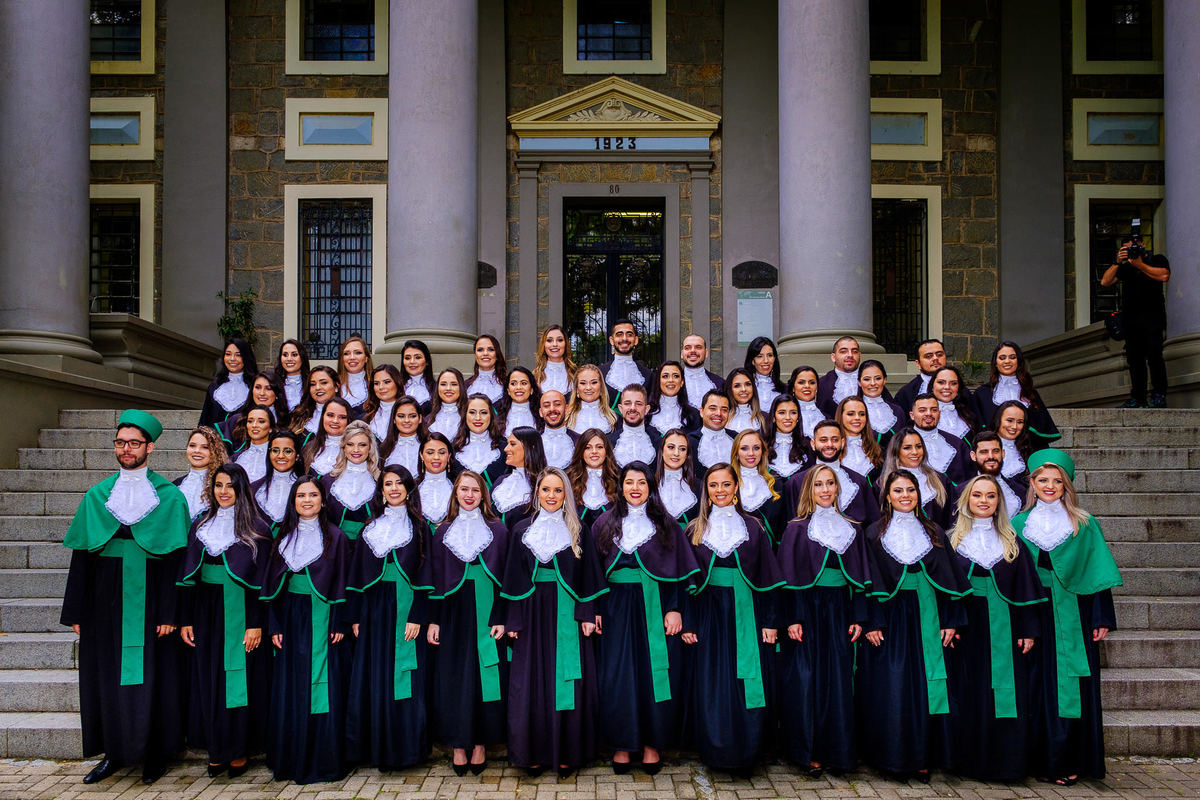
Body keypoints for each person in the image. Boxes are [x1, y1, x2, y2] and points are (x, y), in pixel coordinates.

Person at [61, 410, 191, 785]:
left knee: (156, 677)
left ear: (150, 447)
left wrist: (171, 612)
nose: (127, 449)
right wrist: (76, 610)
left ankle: (155, 755)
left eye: (134, 443)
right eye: (121, 443)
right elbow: (82, 557)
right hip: (106, 602)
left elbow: (176, 564)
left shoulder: (169, 498)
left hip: (152, 599)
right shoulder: (97, 495)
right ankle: (113, 754)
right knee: (107, 678)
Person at [1011, 450, 1121, 785]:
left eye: (1057, 481)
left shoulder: (1085, 524)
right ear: (1031, 482)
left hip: (1073, 611)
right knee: (1032, 685)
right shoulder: (1017, 523)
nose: (1050, 486)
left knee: (1069, 685)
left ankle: (1067, 759)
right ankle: (1036, 760)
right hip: (1031, 612)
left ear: (1067, 485)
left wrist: (1100, 616)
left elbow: (1097, 572)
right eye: (1043, 480)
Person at [857, 470, 970, 782]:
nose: (905, 495)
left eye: (910, 490)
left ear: (919, 495)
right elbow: (867, 582)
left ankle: (923, 757)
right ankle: (891, 758)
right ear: (887, 496)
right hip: (889, 620)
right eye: (898, 490)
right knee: (892, 689)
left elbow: (949, 581)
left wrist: (950, 621)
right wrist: (872, 622)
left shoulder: (934, 531)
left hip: (928, 617)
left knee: (927, 687)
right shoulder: (873, 533)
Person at [592, 463, 700, 774]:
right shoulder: (603, 524)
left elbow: (679, 574)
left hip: (655, 606)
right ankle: (623, 745)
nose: (635, 488)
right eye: (629, 482)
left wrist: (675, 608)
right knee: (618, 676)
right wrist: (596, 611)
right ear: (621, 487)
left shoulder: (667, 525)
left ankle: (653, 744)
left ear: (651, 487)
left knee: (656, 676)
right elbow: (594, 575)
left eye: (642, 482)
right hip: (614, 609)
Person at [500, 467, 607, 778]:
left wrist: (587, 614)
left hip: (568, 611)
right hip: (531, 614)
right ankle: (532, 752)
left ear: (566, 495)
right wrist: (513, 620)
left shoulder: (579, 529)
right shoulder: (521, 529)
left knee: (568, 681)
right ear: (537, 493)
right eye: (545, 490)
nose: (551, 495)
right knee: (530, 681)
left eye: (557, 490)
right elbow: (512, 578)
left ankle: (567, 753)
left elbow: (589, 576)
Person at [680, 463, 784, 776]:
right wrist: (689, 623)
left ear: (736, 487)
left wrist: (769, 621)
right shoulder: (694, 529)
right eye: (714, 485)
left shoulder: (754, 527)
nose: (721, 490)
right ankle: (717, 751)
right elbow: (686, 583)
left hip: (748, 615)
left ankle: (748, 752)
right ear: (706, 491)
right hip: (709, 616)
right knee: (713, 682)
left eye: (726, 484)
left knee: (747, 681)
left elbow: (768, 577)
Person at [943, 474, 1046, 781]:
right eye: (977, 496)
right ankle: (971, 762)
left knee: (1006, 691)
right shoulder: (952, 542)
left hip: (1005, 626)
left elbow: (1026, 589)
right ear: (966, 501)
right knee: (969, 690)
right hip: (966, 628)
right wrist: (951, 622)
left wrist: (1028, 629)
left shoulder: (1013, 542)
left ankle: (1007, 763)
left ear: (999, 501)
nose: (984, 501)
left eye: (990, 496)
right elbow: (944, 589)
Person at [177, 464, 272, 779]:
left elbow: (263, 582)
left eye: (230, 485)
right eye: (218, 485)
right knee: (210, 678)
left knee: (241, 682)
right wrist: (187, 619)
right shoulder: (201, 525)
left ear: (241, 489)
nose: (223, 491)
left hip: (243, 611)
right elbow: (192, 577)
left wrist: (256, 623)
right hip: (206, 611)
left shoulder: (258, 528)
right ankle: (217, 747)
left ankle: (239, 748)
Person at [776, 465, 871, 777]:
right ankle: (809, 751)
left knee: (839, 681)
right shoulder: (795, 529)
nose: (826, 490)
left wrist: (858, 615)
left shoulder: (852, 528)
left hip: (840, 611)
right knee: (806, 681)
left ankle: (839, 751)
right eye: (819, 485)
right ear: (809, 490)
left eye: (831, 484)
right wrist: (793, 617)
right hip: (807, 611)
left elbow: (859, 579)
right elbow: (791, 579)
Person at [259, 476, 351, 784]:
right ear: (293, 501)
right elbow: (272, 587)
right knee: (291, 686)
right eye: (301, 496)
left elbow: (343, 581)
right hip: (290, 619)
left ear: (323, 501)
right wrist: (274, 624)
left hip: (324, 618)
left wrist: (338, 620)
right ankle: (291, 757)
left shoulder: (336, 537)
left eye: (313, 495)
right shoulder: (281, 537)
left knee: (324, 686)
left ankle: (324, 760)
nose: (307, 500)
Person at [345, 465, 434, 771]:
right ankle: (378, 747)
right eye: (388, 484)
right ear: (380, 490)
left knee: (407, 679)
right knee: (376, 675)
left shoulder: (421, 528)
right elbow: (356, 577)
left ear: (409, 489)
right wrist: (355, 617)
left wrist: (417, 616)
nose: (394, 488)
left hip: (407, 611)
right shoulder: (369, 528)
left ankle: (407, 749)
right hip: (374, 613)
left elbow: (426, 576)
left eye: (400, 483)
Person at [426, 471, 510, 775]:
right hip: (453, 613)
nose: (470, 495)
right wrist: (433, 620)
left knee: (485, 676)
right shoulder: (442, 531)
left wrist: (502, 615)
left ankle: (481, 744)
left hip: (487, 610)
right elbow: (434, 578)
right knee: (455, 677)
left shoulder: (498, 531)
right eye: (464, 489)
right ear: (455, 493)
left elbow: (506, 578)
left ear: (483, 495)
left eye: (475, 490)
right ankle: (459, 744)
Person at [1100, 240, 1171, 408]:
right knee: (1135, 359)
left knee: (1155, 356)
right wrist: (1117, 262)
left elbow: (1164, 275)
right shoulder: (1125, 267)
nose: (1131, 249)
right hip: (1131, 319)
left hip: (1153, 317)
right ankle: (1138, 398)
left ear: (1143, 244)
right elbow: (1105, 281)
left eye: (1133, 245)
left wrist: (1140, 265)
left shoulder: (1157, 259)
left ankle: (1159, 395)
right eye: (1127, 246)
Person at [783, 420, 881, 530]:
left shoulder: (860, 482)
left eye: (835, 440)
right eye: (823, 440)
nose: (829, 444)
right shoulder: (795, 483)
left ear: (843, 443)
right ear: (813, 444)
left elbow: (873, 527)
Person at [972, 341, 1060, 448]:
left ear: (1018, 361)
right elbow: (979, 426)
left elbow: (1039, 424)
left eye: (1012, 357)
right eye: (1002, 358)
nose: (1007, 361)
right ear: (995, 362)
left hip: (1027, 449)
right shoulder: (982, 393)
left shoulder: (1030, 392)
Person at [879, 429, 952, 529]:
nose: (915, 452)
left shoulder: (941, 480)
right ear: (896, 451)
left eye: (918, 447)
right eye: (907, 448)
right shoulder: (882, 484)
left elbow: (949, 519)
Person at [321, 420, 381, 542]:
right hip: (335, 546)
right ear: (343, 447)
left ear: (370, 448)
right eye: (350, 444)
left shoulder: (380, 481)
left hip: (366, 548)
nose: (356, 450)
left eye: (362, 445)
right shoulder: (328, 481)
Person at [951, 432, 1028, 522]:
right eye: (984, 452)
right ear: (973, 456)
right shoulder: (960, 492)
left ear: (1003, 454)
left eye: (995, 451)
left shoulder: (1020, 491)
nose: (991, 456)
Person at [731, 429, 786, 545]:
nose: (751, 453)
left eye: (756, 448)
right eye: (744, 448)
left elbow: (781, 525)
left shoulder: (776, 483)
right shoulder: (728, 483)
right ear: (736, 453)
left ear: (763, 452)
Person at [909, 394, 974, 486]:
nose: (928, 414)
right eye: (922, 410)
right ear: (912, 415)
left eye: (934, 410)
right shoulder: (900, 443)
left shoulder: (956, 444)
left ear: (939, 413)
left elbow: (968, 479)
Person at [490, 427, 547, 528]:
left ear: (531, 447)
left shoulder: (544, 485)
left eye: (512, 444)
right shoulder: (500, 482)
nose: (506, 449)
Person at [566, 428, 620, 525]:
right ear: (581, 452)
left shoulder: (618, 478)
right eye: (588, 447)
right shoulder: (568, 479)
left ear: (606, 451)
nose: (594, 451)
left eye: (599, 447)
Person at [453, 394, 509, 488]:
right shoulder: (453, 449)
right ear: (465, 415)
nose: (478, 418)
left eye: (483, 412)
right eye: (472, 412)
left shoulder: (505, 449)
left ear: (491, 415)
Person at [252, 430, 305, 527]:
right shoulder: (254, 488)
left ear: (297, 456)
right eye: (275, 450)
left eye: (288, 451)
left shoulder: (307, 489)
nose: (280, 456)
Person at [200, 340, 258, 428]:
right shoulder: (215, 387)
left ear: (246, 357)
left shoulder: (255, 386)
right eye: (228, 354)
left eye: (238, 355)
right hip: (215, 439)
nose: (232, 359)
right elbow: (205, 420)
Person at [176, 426, 229, 521]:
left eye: (205, 447)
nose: (197, 451)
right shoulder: (176, 485)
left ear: (215, 451)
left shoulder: (223, 485)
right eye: (192, 445)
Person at [817, 336, 877, 416]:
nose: (850, 355)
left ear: (859, 355)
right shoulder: (823, 383)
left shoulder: (873, 381)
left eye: (854, 351)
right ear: (833, 357)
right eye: (843, 351)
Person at [600, 318, 652, 404]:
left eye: (629, 334)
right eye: (619, 334)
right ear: (611, 340)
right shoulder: (600, 373)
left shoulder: (648, 375)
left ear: (636, 340)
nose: (624, 338)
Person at [609, 383, 661, 469]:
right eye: (627, 403)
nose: (633, 408)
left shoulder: (659, 443)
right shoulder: (608, 442)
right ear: (621, 409)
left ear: (647, 409)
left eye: (639, 404)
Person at [655, 430, 700, 526]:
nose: (676, 453)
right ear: (662, 450)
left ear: (687, 454)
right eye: (671, 447)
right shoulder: (649, 484)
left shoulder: (699, 486)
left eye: (682, 449)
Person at [835, 397, 883, 486]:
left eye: (862, 414)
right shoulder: (831, 449)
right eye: (851, 414)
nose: (857, 418)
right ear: (840, 416)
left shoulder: (877, 450)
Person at [302, 396, 352, 476]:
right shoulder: (308, 448)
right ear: (323, 417)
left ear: (349, 420)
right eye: (330, 415)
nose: (335, 421)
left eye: (342, 417)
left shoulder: (355, 452)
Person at [857, 359, 904, 446]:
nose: (873, 383)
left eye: (878, 378)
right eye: (867, 379)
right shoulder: (853, 411)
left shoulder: (897, 411)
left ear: (884, 380)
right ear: (859, 382)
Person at [646, 361, 700, 435]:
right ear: (658, 381)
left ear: (682, 382)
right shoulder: (646, 413)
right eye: (665, 376)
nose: (671, 380)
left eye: (676, 376)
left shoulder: (694, 416)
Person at [766, 396, 813, 480]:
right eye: (782, 413)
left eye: (793, 413)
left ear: (798, 417)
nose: (788, 417)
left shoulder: (807, 446)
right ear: (773, 417)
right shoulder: (761, 445)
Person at [894, 339, 946, 413]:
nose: (935, 358)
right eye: (928, 356)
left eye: (939, 355)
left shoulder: (959, 389)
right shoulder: (906, 393)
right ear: (918, 364)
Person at [689, 389, 735, 472]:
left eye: (724, 410)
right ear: (702, 412)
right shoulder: (689, 441)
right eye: (713, 408)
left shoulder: (736, 439)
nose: (718, 413)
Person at [288, 365, 340, 438]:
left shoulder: (347, 414)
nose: (317, 388)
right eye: (313, 384)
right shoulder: (298, 414)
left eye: (324, 383)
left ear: (336, 386)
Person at [930, 366, 979, 443]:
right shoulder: (921, 416)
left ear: (958, 388)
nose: (947, 387)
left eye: (953, 383)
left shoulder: (969, 415)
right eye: (941, 382)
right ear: (932, 386)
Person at [415, 433, 455, 528]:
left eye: (442, 453)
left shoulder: (459, 486)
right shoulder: (411, 488)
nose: (436, 457)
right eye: (430, 452)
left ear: (449, 456)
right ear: (421, 455)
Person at [379, 395, 424, 477]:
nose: (406, 420)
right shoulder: (383, 449)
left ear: (420, 418)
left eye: (412, 416)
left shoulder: (429, 446)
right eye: (401, 416)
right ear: (394, 419)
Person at [993, 400, 1035, 485]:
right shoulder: (983, 446)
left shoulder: (1027, 450)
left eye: (1020, 422)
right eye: (1009, 420)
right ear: (998, 420)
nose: (1014, 426)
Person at [566, 364, 617, 434]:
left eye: (594, 382)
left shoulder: (615, 420)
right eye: (583, 383)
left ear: (601, 387)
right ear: (577, 389)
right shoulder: (565, 419)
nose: (588, 387)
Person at [229, 405, 273, 483]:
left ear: (270, 428)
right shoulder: (236, 458)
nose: (254, 425)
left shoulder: (277, 457)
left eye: (261, 421)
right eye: (250, 421)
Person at [680, 334, 725, 409]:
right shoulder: (672, 383)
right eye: (687, 348)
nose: (693, 351)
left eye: (698, 347)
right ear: (682, 354)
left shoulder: (720, 383)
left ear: (706, 353)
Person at [538, 390, 578, 470]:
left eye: (557, 404)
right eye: (546, 406)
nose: (552, 409)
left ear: (567, 409)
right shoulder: (531, 442)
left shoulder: (579, 440)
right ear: (541, 412)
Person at [363, 364, 404, 441]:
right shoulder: (366, 418)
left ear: (397, 383)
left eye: (387, 382)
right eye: (376, 383)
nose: (381, 387)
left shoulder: (409, 414)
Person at [533, 324, 576, 396]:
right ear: (544, 345)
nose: (555, 344)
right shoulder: (535, 376)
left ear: (565, 344)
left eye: (560, 340)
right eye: (549, 340)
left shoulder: (575, 374)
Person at [499, 366, 542, 437]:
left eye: (524, 383)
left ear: (531, 389)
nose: (518, 387)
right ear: (508, 390)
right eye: (513, 383)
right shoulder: (497, 413)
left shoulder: (541, 414)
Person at [786, 365, 826, 441]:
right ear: (793, 388)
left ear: (817, 387)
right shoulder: (785, 416)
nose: (807, 386)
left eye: (812, 382)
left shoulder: (826, 416)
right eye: (801, 382)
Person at [427, 367, 468, 440]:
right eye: (443, 384)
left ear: (461, 387)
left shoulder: (470, 418)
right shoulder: (427, 420)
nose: (448, 388)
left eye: (454, 384)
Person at [466, 333, 507, 405]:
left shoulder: (508, 385)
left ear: (497, 354)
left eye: (491, 349)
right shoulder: (464, 385)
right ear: (475, 355)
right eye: (480, 350)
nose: (485, 353)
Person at [745, 336, 784, 409]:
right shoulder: (745, 388)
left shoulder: (784, 389)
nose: (766, 361)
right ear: (753, 361)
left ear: (774, 358)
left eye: (770, 355)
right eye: (760, 356)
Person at [337, 335, 374, 411]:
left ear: (366, 358)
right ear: (342, 359)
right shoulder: (334, 384)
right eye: (347, 353)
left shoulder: (376, 384)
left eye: (358, 353)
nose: (352, 357)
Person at [273, 339, 311, 412]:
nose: (289, 359)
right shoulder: (274, 383)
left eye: (294, 355)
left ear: (302, 357)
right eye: (285, 355)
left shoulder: (311, 383)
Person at [725, 368, 767, 434]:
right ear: (730, 390)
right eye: (737, 386)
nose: (743, 389)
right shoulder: (722, 417)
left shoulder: (765, 418)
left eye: (748, 384)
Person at [400, 339, 436, 414]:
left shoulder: (437, 389)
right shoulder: (395, 387)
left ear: (427, 361)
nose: (412, 361)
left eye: (418, 357)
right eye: (407, 358)